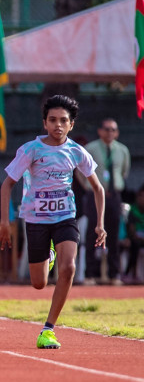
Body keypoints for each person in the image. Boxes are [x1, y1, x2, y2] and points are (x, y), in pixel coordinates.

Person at [0, 95, 106, 349]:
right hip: (35, 219)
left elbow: (98, 189)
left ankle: (48, 329)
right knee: (39, 283)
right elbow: (7, 185)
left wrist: (100, 224)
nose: (58, 125)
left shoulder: (76, 152)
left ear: (71, 125)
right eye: (52, 120)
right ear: (44, 123)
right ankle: (49, 253)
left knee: (68, 268)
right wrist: (4, 223)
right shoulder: (31, 150)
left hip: (65, 216)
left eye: (63, 121)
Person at [83, 117, 129, 283]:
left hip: (114, 196)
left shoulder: (122, 150)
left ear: (116, 133)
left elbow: (124, 171)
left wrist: (113, 186)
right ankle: (90, 274)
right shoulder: (90, 148)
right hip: (94, 195)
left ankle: (114, 274)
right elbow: (81, 174)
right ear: (100, 131)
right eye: (107, 129)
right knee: (92, 233)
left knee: (114, 234)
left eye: (113, 129)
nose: (110, 132)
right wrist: (93, 189)